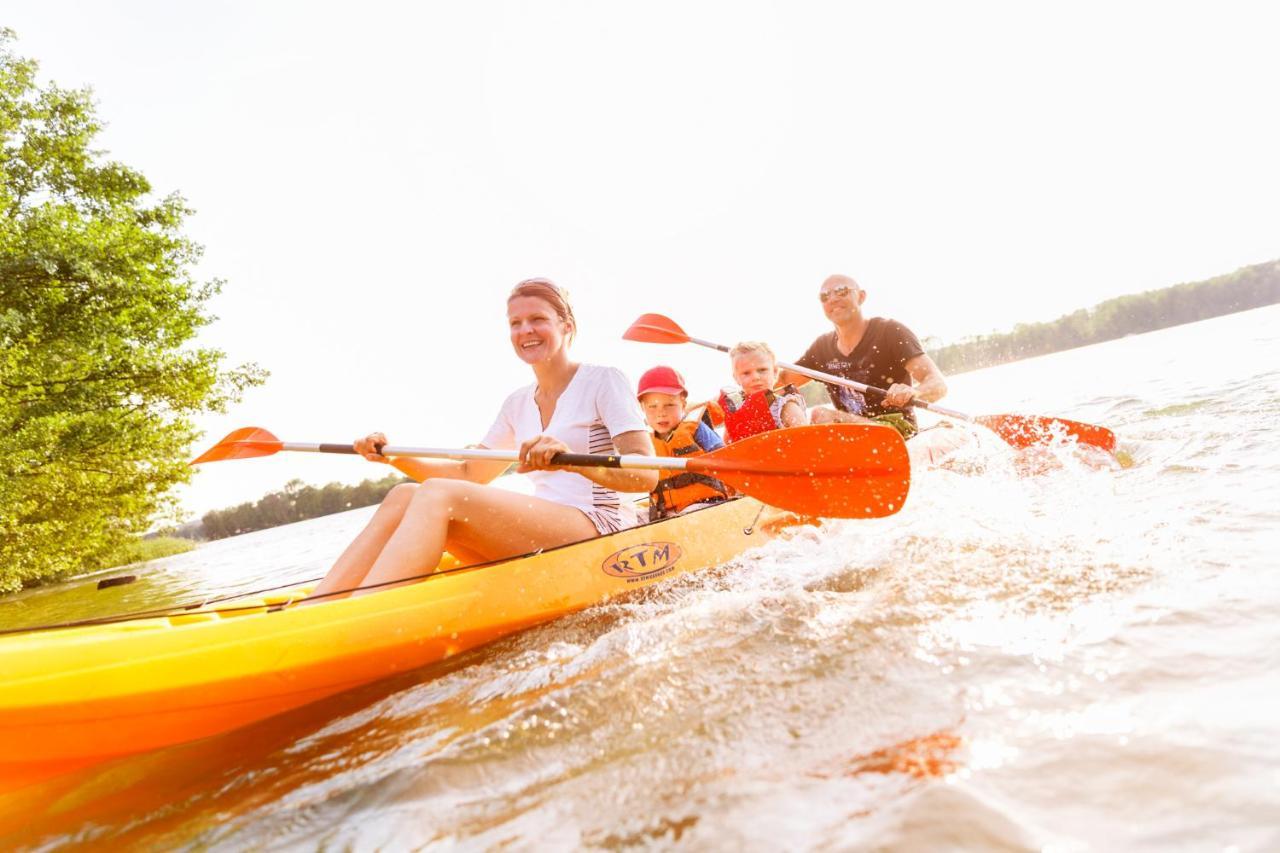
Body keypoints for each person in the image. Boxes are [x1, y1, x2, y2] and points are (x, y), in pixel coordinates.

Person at [307, 279, 657, 600]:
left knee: (438, 494)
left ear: (566, 326)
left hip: (599, 525)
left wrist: (572, 460)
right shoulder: (517, 402)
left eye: (538, 319)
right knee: (404, 495)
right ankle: (316, 609)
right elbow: (467, 473)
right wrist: (390, 457)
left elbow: (645, 474)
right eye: (515, 323)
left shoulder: (603, 381)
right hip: (549, 529)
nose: (526, 330)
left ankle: (361, 615)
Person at [779, 274, 947, 439]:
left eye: (841, 291)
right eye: (824, 296)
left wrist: (914, 392)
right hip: (853, 434)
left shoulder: (890, 332)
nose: (833, 299)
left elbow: (938, 384)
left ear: (861, 296)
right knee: (790, 409)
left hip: (896, 430)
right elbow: (781, 382)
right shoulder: (822, 348)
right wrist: (756, 369)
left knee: (819, 415)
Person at [636, 365, 731, 521]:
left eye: (669, 405)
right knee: (631, 518)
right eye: (652, 406)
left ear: (683, 404)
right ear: (642, 408)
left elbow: (726, 458)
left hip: (703, 504)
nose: (661, 412)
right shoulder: (645, 441)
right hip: (664, 511)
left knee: (690, 516)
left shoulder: (696, 428)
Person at [717, 341, 806, 443]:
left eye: (762, 370)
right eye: (746, 373)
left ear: (775, 372)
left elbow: (806, 440)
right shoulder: (736, 414)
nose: (755, 377)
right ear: (736, 378)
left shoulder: (786, 407)